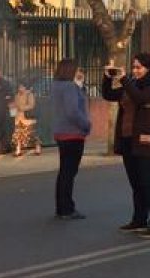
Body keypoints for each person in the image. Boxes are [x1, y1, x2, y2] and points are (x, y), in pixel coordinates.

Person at [102, 53, 150, 239]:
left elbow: (139, 98)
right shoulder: (132, 84)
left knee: (148, 183)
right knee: (136, 184)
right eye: (134, 67)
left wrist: (124, 79)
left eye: (139, 67)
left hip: (145, 141)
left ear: (149, 68)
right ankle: (139, 220)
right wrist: (108, 78)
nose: (135, 71)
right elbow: (109, 95)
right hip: (127, 139)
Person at [50, 60, 90, 220]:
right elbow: (73, 111)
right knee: (69, 172)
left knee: (64, 172)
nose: (79, 72)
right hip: (73, 133)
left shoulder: (57, 86)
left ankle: (62, 207)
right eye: (77, 69)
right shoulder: (69, 87)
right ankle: (67, 208)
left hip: (61, 132)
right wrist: (86, 125)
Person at [11, 82, 42, 157]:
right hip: (18, 118)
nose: (20, 88)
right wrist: (13, 108)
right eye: (19, 87)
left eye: (22, 86)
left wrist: (21, 108)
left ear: (25, 87)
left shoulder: (29, 94)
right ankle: (18, 150)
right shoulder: (16, 95)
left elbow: (32, 105)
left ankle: (38, 148)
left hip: (28, 118)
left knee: (33, 134)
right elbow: (15, 105)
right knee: (18, 135)